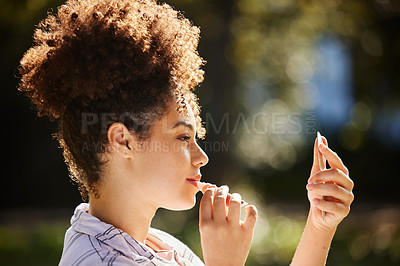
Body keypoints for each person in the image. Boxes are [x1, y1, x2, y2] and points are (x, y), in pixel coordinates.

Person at [18, 0, 354, 265]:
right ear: (123, 140)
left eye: (196, 138)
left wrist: (319, 225)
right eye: (182, 137)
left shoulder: (157, 244)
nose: (202, 156)